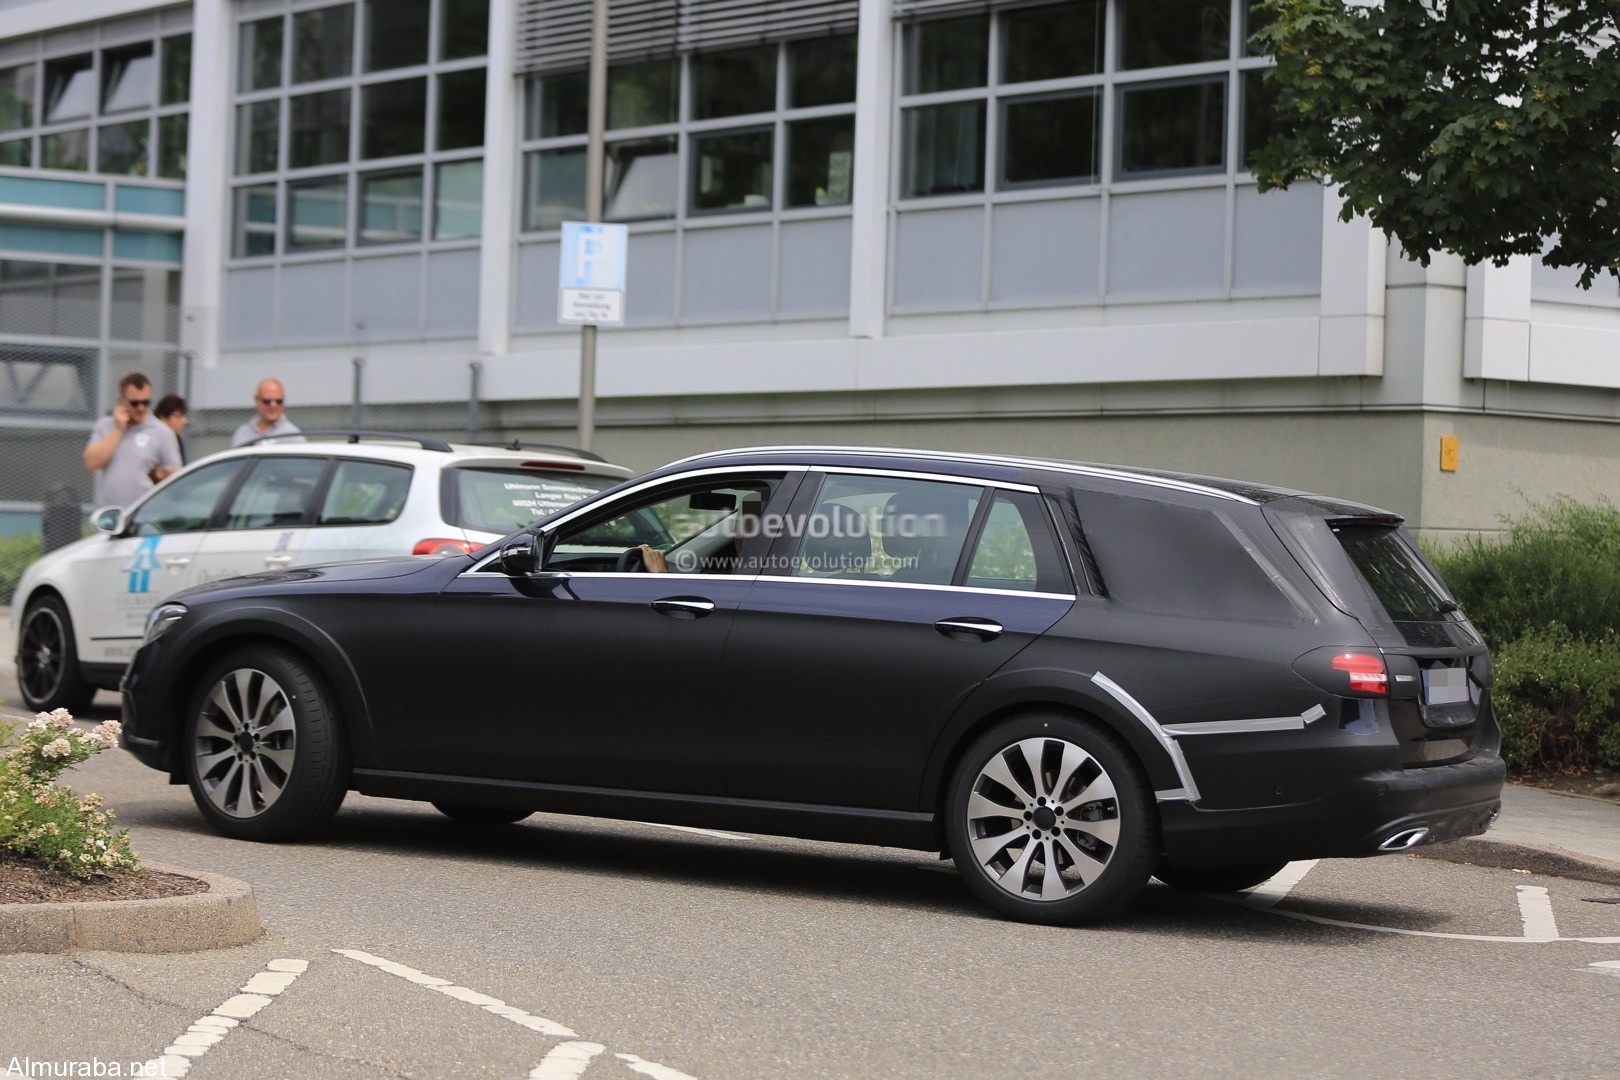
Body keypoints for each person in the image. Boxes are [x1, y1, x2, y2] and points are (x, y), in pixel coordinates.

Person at [82, 372, 183, 508]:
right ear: (122, 401)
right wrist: (118, 430)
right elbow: (91, 462)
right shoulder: (105, 426)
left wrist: (163, 474)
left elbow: (178, 480)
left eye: (146, 402)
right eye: (134, 403)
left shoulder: (162, 432)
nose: (141, 408)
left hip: (145, 514)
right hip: (112, 513)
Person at [231, 378, 302, 447]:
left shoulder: (293, 437)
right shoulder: (242, 434)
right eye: (267, 401)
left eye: (279, 401)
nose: (273, 405)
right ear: (256, 399)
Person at [152, 393, 189, 480]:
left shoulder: (177, 440)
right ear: (163, 418)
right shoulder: (151, 441)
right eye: (178, 416)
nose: (184, 421)